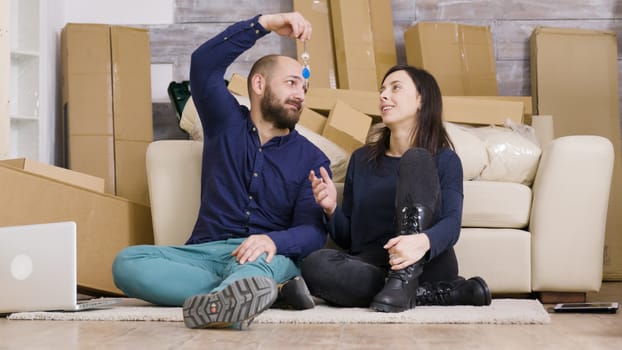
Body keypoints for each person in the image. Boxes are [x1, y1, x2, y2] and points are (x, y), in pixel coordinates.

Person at [112, 12, 331, 329]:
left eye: (305, 88)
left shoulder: (313, 159)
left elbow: (312, 232)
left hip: (264, 257)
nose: (300, 94)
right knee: (126, 264)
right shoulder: (225, 122)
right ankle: (251, 298)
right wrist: (265, 24)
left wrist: (272, 242)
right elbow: (204, 64)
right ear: (258, 84)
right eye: (291, 83)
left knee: (261, 269)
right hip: (204, 255)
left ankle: (242, 295)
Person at [302, 65, 492, 312]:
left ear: (421, 99)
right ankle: (432, 294)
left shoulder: (444, 159)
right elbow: (349, 237)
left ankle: (405, 283)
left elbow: (452, 225)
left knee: (416, 159)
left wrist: (420, 244)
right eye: (382, 90)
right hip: (372, 265)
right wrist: (330, 209)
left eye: (396, 88)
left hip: (427, 263)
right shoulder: (361, 160)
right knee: (313, 265)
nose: (383, 96)